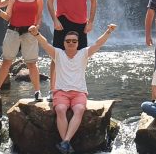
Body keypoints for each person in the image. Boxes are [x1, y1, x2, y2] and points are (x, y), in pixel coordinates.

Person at [29, 23, 116, 154]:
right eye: (68, 41)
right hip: (61, 92)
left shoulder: (83, 53)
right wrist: (36, 33)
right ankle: (66, 143)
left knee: (80, 109)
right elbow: (45, 44)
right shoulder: (57, 54)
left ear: (78, 43)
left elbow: (98, 44)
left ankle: (65, 142)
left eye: (74, 41)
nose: (71, 43)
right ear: (63, 43)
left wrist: (108, 31)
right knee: (60, 109)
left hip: (79, 92)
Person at [47, 0, 99, 99]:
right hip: (62, 21)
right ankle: (52, 90)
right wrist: (55, 20)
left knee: (82, 57)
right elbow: (50, 1)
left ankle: (79, 88)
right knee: (55, 56)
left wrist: (90, 21)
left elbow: (93, 0)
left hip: (81, 22)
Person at [0, 0, 44, 101]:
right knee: (6, 61)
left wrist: (37, 27)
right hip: (13, 31)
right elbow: (7, 17)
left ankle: (37, 92)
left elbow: (39, 17)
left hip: (30, 33)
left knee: (32, 63)